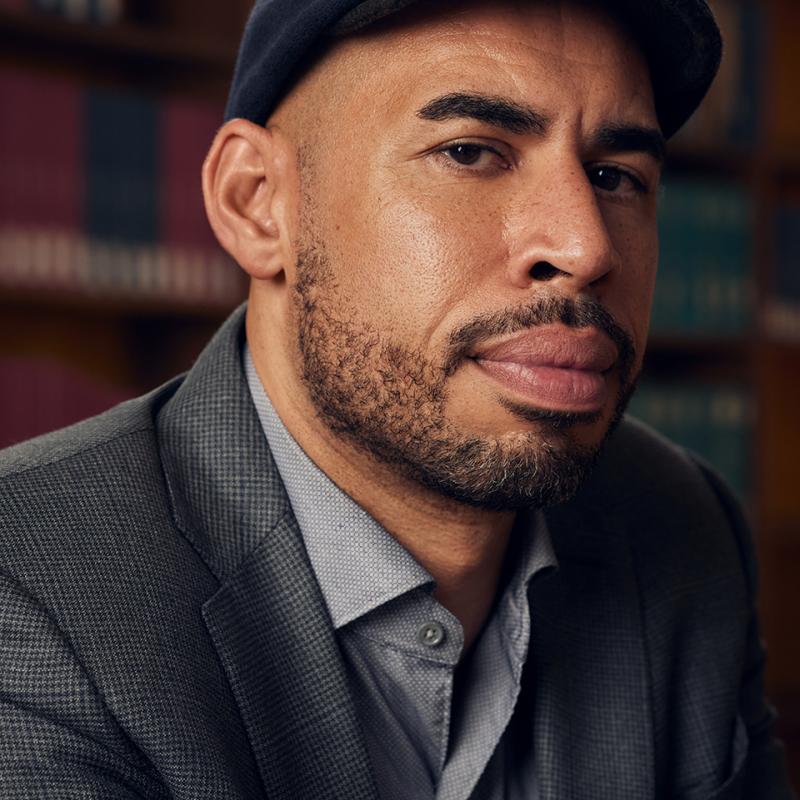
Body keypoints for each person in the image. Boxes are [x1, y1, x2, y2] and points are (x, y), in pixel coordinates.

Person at [0, 0, 796, 797]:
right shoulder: (28, 597)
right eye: (471, 153)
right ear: (256, 202)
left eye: (616, 176)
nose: (586, 247)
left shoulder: (685, 529)